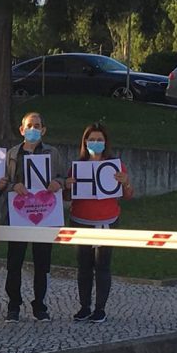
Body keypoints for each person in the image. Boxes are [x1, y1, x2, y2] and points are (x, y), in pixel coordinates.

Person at [66, 122, 133, 323]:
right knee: (83, 265)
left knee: (102, 265)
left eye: (100, 140)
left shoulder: (115, 166)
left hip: (107, 221)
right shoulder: (76, 166)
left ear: (106, 143)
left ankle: (100, 309)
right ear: (85, 142)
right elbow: (68, 196)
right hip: (80, 220)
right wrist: (67, 186)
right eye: (92, 139)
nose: (96, 143)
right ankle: (84, 306)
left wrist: (125, 183)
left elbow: (128, 195)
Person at [3, 112, 65, 322]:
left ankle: (40, 305)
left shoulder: (52, 152)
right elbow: (5, 182)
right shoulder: (12, 153)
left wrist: (59, 183)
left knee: (42, 262)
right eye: (29, 125)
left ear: (43, 129)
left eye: (37, 125)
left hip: (44, 214)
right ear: (21, 129)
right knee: (14, 262)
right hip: (18, 215)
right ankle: (13, 305)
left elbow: (62, 177)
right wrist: (13, 186)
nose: (33, 129)